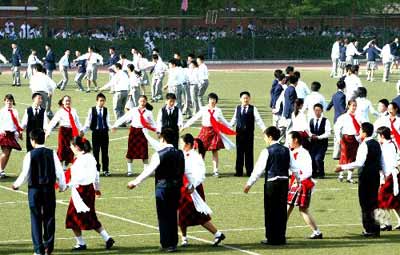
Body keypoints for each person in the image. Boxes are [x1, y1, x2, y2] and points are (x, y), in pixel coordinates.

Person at [127, 128, 185, 253]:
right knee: (173, 215)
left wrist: (135, 182)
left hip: (163, 187)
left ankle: (166, 243)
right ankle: (173, 243)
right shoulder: (180, 153)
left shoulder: (159, 154)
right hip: (176, 188)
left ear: (163, 138)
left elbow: (148, 171)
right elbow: (185, 171)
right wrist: (191, 185)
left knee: (163, 216)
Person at [12, 128, 67, 255]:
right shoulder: (52, 153)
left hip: (35, 190)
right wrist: (62, 186)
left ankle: (38, 249)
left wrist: (16, 185)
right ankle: (48, 247)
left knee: (35, 218)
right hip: (49, 189)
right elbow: (60, 172)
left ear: (32, 140)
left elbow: (25, 174)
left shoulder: (30, 155)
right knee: (49, 218)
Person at [244, 126, 295, 245]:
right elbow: (294, 167)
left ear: (270, 137)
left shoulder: (267, 151)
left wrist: (249, 184)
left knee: (270, 210)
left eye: (265, 137)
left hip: (272, 183)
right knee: (282, 210)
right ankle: (281, 237)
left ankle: (271, 237)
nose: (265, 139)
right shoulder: (286, 150)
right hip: (284, 183)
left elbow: (258, 170)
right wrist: (298, 179)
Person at [65, 136, 115, 251]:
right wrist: (97, 188)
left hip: (80, 191)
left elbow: (78, 177)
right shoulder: (91, 158)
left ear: (77, 147)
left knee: (72, 217)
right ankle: (107, 238)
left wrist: (67, 185)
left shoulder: (79, 160)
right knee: (91, 216)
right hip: (90, 190)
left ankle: (81, 243)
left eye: (72, 146)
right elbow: (96, 174)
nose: (71, 148)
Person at [178, 134, 225, 246]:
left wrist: (193, 185)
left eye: (182, 142)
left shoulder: (196, 157)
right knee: (181, 214)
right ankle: (184, 238)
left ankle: (217, 233)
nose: (180, 144)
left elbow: (201, 175)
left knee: (199, 215)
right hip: (184, 187)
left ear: (188, 144)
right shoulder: (181, 154)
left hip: (194, 189)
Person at [336, 122, 382, 237]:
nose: (359, 132)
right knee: (374, 203)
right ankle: (376, 229)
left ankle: (369, 229)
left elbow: (359, 163)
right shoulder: (376, 143)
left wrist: (342, 167)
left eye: (360, 130)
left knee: (365, 203)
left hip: (366, 176)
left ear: (365, 133)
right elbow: (380, 161)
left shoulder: (364, 145)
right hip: (375, 176)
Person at [182, 93, 235, 177]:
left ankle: (216, 171)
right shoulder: (203, 109)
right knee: (202, 152)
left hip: (214, 133)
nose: (212, 101)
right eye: (211, 99)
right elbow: (195, 118)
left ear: (216, 101)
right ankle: (200, 171)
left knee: (215, 151)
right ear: (208, 100)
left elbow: (224, 120)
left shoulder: (218, 110)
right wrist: (185, 126)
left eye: (214, 99)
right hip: (205, 132)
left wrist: (231, 127)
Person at [287, 131, 323, 239]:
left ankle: (316, 231)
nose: (288, 142)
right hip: (296, 182)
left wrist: (298, 180)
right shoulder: (293, 152)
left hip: (301, 183)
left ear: (295, 140)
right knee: (292, 207)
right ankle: (316, 231)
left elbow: (308, 171)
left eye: (289, 139)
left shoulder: (303, 153)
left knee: (297, 208)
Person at [111, 95, 156, 177]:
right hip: (134, 131)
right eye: (141, 101)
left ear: (146, 102)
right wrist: (115, 125)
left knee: (144, 152)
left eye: (144, 101)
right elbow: (124, 118)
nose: (142, 103)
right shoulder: (133, 110)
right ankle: (129, 170)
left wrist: (158, 131)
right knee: (130, 151)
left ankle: (146, 170)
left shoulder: (149, 112)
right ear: (138, 102)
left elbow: (153, 123)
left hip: (143, 132)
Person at [230, 91, 266, 177]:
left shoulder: (253, 109)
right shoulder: (237, 108)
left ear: (249, 99)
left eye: (247, 98)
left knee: (249, 153)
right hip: (239, 134)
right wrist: (228, 128)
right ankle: (239, 171)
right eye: (244, 98)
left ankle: (250, 171)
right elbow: (234, 120)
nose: (245, 100)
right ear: (240, 99)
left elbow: (258, 120)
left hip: (249, 134)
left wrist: (264, 129)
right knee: (239, 153)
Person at [46, 95, 82, 169]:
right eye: (66, 101)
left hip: (71, 131)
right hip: (63, 131)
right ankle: (60, 162)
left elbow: (77, 121)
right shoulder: (60, 111)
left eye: (69, 100)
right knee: (62, 148)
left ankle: (66, 164)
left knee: (71, 148)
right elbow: (53, 122)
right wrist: (48, 132)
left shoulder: (73, 110)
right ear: (63, 102)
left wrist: (81, 129)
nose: (68, 102)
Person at [375, 126, 400, 231]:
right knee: (394, 201)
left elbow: (390, 163)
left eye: (378, 135)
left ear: (382, 136)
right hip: (390, 175)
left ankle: (386, 223)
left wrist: (386, 176)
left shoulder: (387, 147)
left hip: (390, 176)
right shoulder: (390, 144)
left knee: (381, 200)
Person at [82, 93, 111, 176]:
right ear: (97, 101)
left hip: (104, 133)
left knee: (105, 152)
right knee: (96, 152)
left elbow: (107, 121)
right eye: (100, 101)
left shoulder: (106, 110)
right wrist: (83, 130)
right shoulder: (92, 110)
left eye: (103, 101)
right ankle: (96, 169)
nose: (102, 102)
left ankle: (106, 170)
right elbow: (88, 122)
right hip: (96, 133)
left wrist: (112, 127)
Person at [334, 99, 362, 183]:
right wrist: (338, 139)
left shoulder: (358, 116)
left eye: (355, 105)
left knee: (353, 157)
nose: (354, 107)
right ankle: (341, 175)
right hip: (345, 138)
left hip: (355, 138)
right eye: (352, 105)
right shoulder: (343, 117)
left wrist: (360, 137)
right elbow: (337, 128)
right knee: (344, 157)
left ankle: (349, 177)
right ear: (348, 106)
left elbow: (362, 127)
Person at [0, 94, 23, 178]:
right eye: (7, 101)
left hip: (12, 134)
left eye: (10, 101)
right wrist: (2, 131)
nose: (9, 102)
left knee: (8, 153)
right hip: (4, 134)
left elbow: (17, 122)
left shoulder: (15, 111)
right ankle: (0, 170)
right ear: (4, 102)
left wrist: (19, 131)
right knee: (5, 152)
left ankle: (2, 170)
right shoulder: (2, 111)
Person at [309, 104, 331, 178]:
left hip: (322, 144)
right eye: (315, 110)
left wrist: (318, 137)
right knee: (312, 158)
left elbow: (328, 133)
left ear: (322, 110)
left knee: (318, 158)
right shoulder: (311, 120)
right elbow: (309, 131)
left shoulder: (326, 120)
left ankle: (321, 173)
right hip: (313, 144)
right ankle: (314, 173)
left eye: (319, 110)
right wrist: (311, 135)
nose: (317, 112)